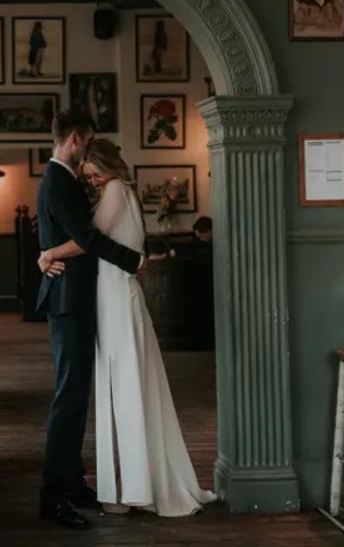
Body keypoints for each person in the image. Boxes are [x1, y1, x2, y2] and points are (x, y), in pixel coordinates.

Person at [40, 139, 217, 517]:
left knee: (125, 387)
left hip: (116, 300)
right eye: (88, 178)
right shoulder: (119, 191)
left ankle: (131, 487)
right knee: (122, 386)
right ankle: (128, 483)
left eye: (95, 174)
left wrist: (49, 253)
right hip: (112, 296)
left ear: (110, 167)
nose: (93, 182)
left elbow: (90, 240)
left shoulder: (117, 190)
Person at [34, 113, 146, 530]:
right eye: (89, 141)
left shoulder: (61, 179)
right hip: (68, 303)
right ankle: (53, 494)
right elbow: (86, 238)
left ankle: (72, 481)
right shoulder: (59, 180)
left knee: (78, 395)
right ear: (76, 138)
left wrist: (46, 254)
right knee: (69, 396)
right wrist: (133, 260)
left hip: (75, 298)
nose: (88, 153)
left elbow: (57, 237)